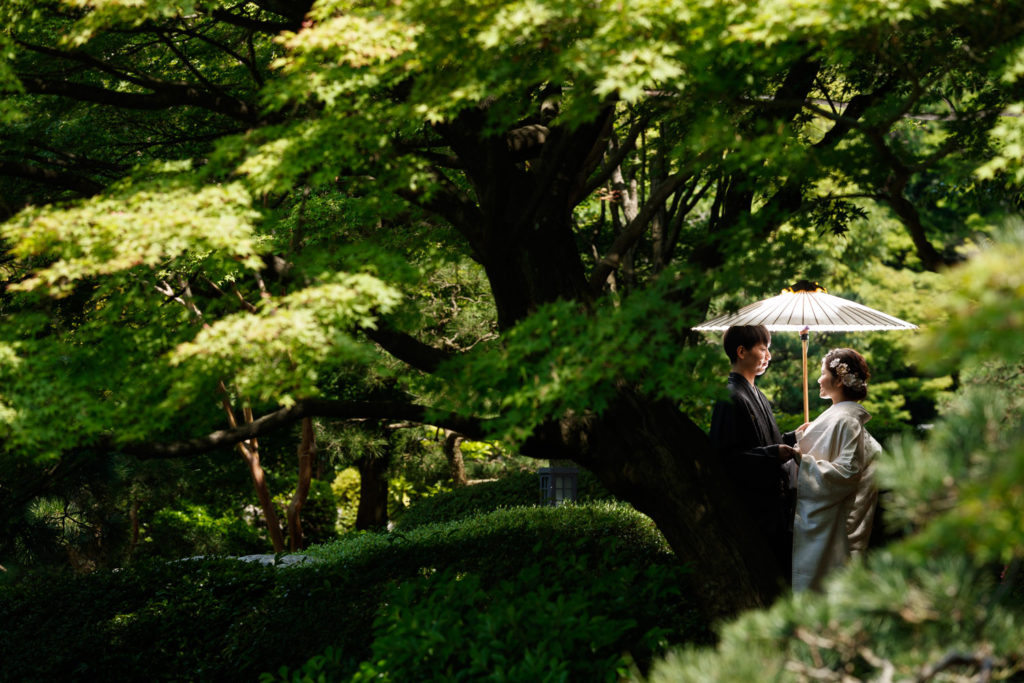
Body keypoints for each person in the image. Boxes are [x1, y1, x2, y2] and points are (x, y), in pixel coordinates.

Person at [709, 325, 801, 581]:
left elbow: (766, 442)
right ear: (741, 352)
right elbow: (726, 459)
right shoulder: (730, 397)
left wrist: (793, 437)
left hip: (775, 508)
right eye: (763, 349)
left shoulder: (756, 393)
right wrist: (773, 454)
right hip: (755, 510)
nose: (769, 355)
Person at [791, 347, 878, 592]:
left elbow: (848, 472)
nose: (819, 379)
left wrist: (804, 462)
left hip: (836, 521)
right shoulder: (840, 415)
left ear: (839, 380)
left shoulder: (846, 419)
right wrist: (805, 436)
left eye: (823, 373)